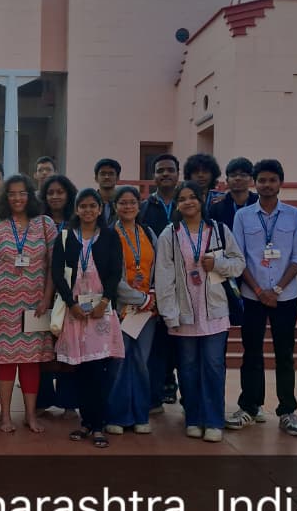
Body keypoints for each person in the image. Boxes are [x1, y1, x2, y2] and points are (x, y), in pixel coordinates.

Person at [154, 180, 245, 442]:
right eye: (182, 198)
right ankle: (193, 418)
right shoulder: (170, 234)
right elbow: (164, 278)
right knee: (188, 368)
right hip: (183, 313)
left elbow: (239, 264)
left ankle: (214, 420)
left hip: (215, 312)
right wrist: (170, 314)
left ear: (201, 200)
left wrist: (217, 263)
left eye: (193, 197)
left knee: (214, 366)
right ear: (178, 205)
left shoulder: (218, 230)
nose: (188, 202)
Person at [230, 159, 297, 436]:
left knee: (284, 354)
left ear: (280, 183)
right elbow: (238, 258)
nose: (266, 185)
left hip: (285, 297)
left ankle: (287, 411)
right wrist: (260, 291)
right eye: (261, 180)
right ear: (255, 183)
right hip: (252, 296)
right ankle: (250, 407)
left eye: (272, 180)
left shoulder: (293, 215)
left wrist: (276, 290)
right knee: (251, 354)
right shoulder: (243, 216)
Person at [0, 174, 57, 433]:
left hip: (36, 305)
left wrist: (47, 297)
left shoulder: (45, 224)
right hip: (2, 304)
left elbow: (53, 266)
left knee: (31, 361)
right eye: (11, 193)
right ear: (5, 197)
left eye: (22, 193)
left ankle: (31, 416)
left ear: (30, 194)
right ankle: (5, 417)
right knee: (5, 360)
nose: (17, 198)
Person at [52, 188, 124, 448]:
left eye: (93, 206)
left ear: (99, 209)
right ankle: (85, 422)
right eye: (83, 206)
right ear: (76, 209)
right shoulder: (64, 238)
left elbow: (117, 271)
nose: (88, 210)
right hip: (75, 313)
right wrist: (71, 304)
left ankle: (99, 425)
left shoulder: (109, 236)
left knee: (99, 370)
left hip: (100, 313)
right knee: (80, 369)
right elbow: (57, 274)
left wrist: (105, 302)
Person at [105, 185, 157, 434]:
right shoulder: (109, 235)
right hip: (121, 308)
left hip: (147, 311)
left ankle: (140, 415)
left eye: (132, 202)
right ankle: (117, 415)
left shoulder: (148, 232)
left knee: (141, 362)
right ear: (115, 206)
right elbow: (111, 275)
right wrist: (139, 297)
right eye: (122, 203)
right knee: (119, 360)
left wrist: (152, 296)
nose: (128, 207)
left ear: (139, 205)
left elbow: (160, 267)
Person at [37, 174, 80, 416]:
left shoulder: (77, 222)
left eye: (60, 192)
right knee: (42, 347)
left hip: (71, 294)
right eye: (50, 192)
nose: (55, 196)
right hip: (41, 292)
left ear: (68, 194)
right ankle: (42, 400)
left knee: (69, 347)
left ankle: (69, 401)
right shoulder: (37, 223)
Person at [142, 153, 181, 409]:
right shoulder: (145, 207)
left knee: (181, 345)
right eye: (160, 170)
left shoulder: (188, 202)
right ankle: (154, 396)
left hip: (187, 286)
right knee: (155, 346)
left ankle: (179, 390)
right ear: (153, 176)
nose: (165, 174)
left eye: (170, 170)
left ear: (178, 173)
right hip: (152, 286)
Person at [209, 157, 257, 231]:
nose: (238, 178)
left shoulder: (259, 204)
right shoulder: (216, 208)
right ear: (227, 180)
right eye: (233, 175)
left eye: (243, 175)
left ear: (251, 180)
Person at [94, 158, 122, 224]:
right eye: (103, 174)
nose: (107, 177)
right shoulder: (90, 202)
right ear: (96, 178)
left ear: (117, 178)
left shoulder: (123, 203)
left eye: (111, 173)